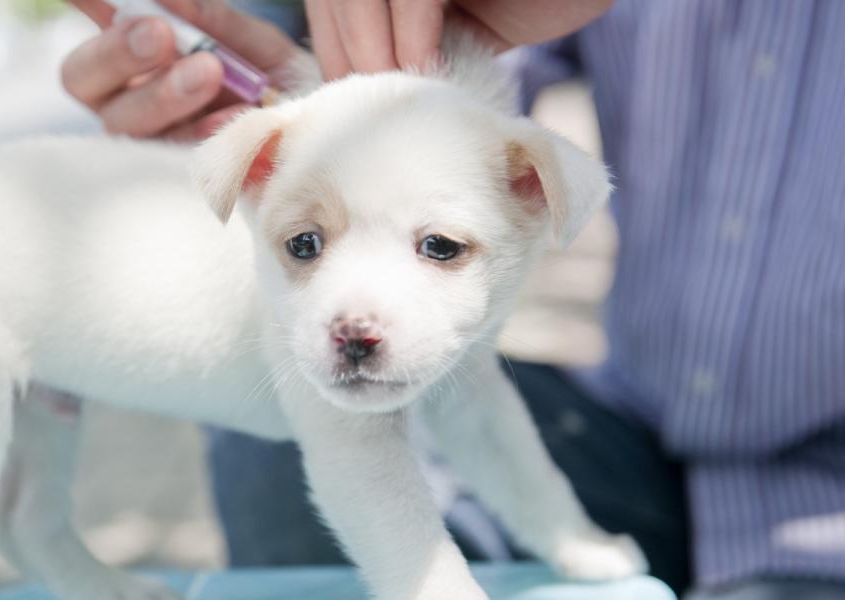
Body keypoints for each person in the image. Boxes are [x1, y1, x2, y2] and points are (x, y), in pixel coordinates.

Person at [61, 1, 845, 598]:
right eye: (309, 245)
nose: (359, 314)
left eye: (441, 249)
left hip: (823, 500)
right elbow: (444, 99)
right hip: (631, 422)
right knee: (302, 382)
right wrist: (317, 66)